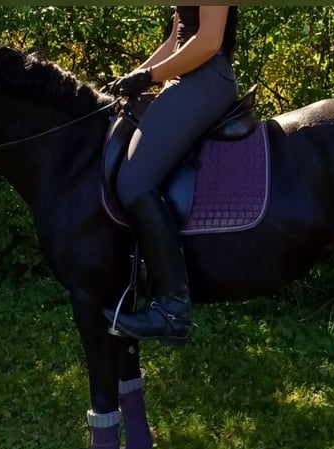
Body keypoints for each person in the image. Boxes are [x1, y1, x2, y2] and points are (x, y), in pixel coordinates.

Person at [104, 6, 239, 346]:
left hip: (207, 78)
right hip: (185, 80)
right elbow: (176, 40)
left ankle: (173, 309)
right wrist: (133, 77)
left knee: (134, 181)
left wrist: (149, 77)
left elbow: (208, 40)